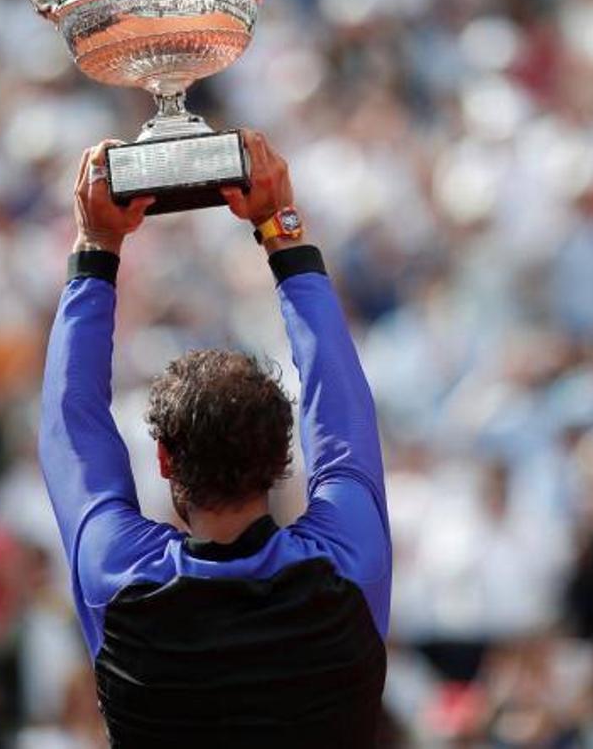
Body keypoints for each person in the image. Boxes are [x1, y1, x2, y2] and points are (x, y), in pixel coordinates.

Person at [37, 131, 391, 746]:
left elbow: (72, 426)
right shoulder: (346, 563)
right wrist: (281, 230)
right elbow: (342, 414)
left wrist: (98, 246)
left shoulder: (120, 578)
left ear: (166, 460)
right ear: (283, 457)